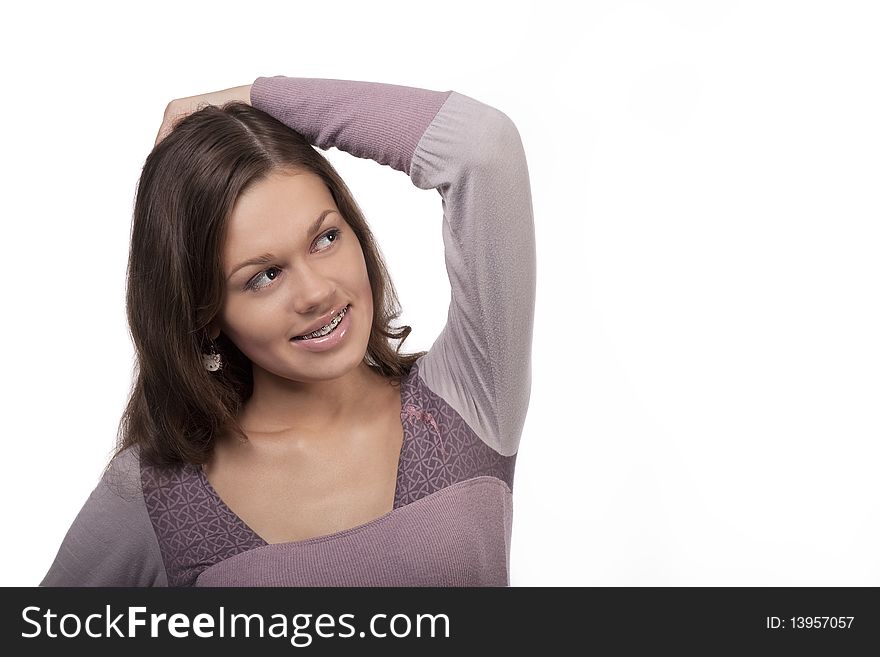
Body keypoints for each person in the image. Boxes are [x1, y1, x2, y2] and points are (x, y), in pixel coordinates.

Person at [40, 75, 535, 586]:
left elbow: (482, 147)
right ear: (203, 312)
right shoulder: (163, 496)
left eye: (325, 238)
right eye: (264, 276)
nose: (317, 293)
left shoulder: (469, 399)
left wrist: (249, 100)